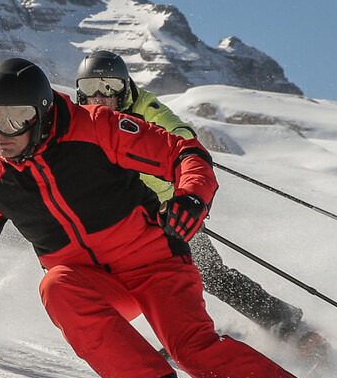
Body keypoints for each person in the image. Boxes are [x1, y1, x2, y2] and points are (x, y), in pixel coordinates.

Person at [0, 58, 337, 378]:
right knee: (57, 286)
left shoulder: (96, 127)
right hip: (92, 282)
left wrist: (191, 196)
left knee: (192, 348)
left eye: (14, 117)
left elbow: (183, 153)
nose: (0, 134)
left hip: (156, 266)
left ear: (39, 112)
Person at [75, 50, 307, 339]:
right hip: (122, 214)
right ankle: (169, 337)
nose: (99, 97)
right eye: (89, 89)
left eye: (110, 88)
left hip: (169, 210)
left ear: (125, 89)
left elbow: (181, 136)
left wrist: (187, 193)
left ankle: (286, 323)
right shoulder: (78, 121)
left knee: (208, 274)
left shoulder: (147, 109)